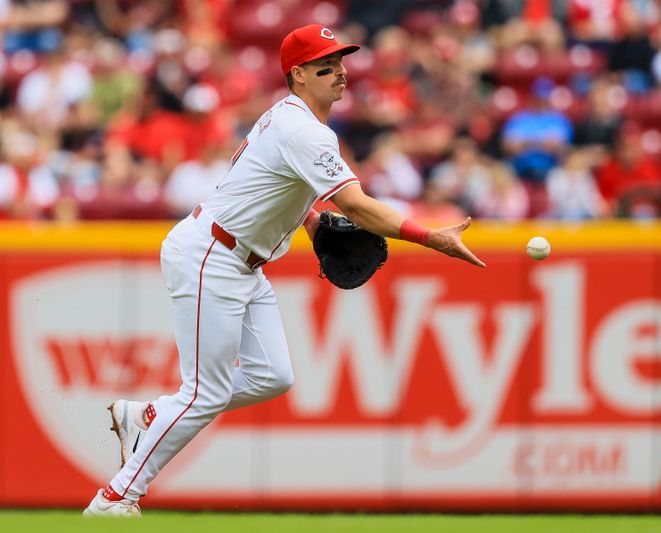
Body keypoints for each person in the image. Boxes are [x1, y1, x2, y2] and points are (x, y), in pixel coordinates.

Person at [83, 24, 485, 518]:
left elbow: (269, 185)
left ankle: (147, 416)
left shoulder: (289, 118)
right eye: (325, 65)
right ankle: (117, 496)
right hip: (213, 255)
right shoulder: (304, 130)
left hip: (239, 259)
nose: (338, 72)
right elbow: (358, 208)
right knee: (204, 392)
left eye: (340, 62)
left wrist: (312, 223)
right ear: (297, 74)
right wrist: (433, 238)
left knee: (273, 375)